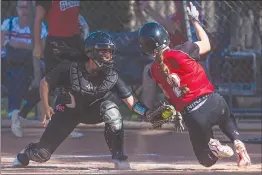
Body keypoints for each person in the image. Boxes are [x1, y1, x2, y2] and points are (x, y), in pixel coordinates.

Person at [11, 31, 160, 169]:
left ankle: (119, 157)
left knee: (111, 110)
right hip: (67, 112)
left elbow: (132, 103)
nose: (108, 56)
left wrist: (148, 114)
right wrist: (46, 106)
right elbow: (45, 83)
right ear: (91, 52)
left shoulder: (111, 75)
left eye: (110, 52)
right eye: (104, 51)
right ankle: (28, 151)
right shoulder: (70, 68)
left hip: (91, 112)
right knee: (41, 155)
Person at [137, 2, 251, 168]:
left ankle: (213, 145)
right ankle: (238, 142)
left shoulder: (154, 71)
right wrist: (195, 20)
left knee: (206, 161)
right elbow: (207, 43)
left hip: (193, 116)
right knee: (225, 116)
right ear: (166, 37)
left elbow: (170, 92)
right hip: (214, 101)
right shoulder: (185, 49)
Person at [11, 1, 89, 139]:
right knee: (50, 84)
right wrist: (37, 46)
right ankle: (20, 115)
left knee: (74, 83)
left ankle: (63, 124)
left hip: (75, 41)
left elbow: (72, 14)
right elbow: (38, 19)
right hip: (57, 43)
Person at [1, 1, 47, 119]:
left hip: (30, 64)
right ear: (17, 9)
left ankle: (15, 111)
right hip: (8, 63)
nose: (24, 11)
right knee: (16, 71)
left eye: (27, 8)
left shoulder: (39, 26)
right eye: (21, 7)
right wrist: (30, 46)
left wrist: (15, 43)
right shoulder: (8, 24)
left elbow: (41, 49)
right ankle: (16, 112)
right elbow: (1, 44)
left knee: (20, 71)